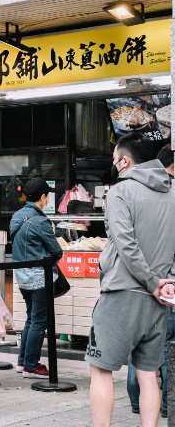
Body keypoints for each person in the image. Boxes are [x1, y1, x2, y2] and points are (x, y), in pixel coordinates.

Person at [87, 133, 175, 427]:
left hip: (122, 293)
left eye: (114, 161)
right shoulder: (172, 191)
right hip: (159, 299)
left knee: (100, 370)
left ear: (125, 161)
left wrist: (151, 282)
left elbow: (125, 244)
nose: (114, 166)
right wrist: (164, 282)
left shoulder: (119, 192)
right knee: (148, 374)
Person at [126, 144, 175, 418]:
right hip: (165, 282)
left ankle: (136, 399)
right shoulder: (168, 195)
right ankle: (166, 403)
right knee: (165, 346)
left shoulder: (136, 194)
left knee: (142, 345)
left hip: (142, 282)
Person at [9, 178, 64, 379]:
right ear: (43, 197)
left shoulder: (16, 216)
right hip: (40, 277)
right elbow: (56, 251)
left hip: (22, 277)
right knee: (39, 321)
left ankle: (23, 361)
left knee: (32, 318)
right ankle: (31, 366)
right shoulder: (40, 220)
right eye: (47, 196)